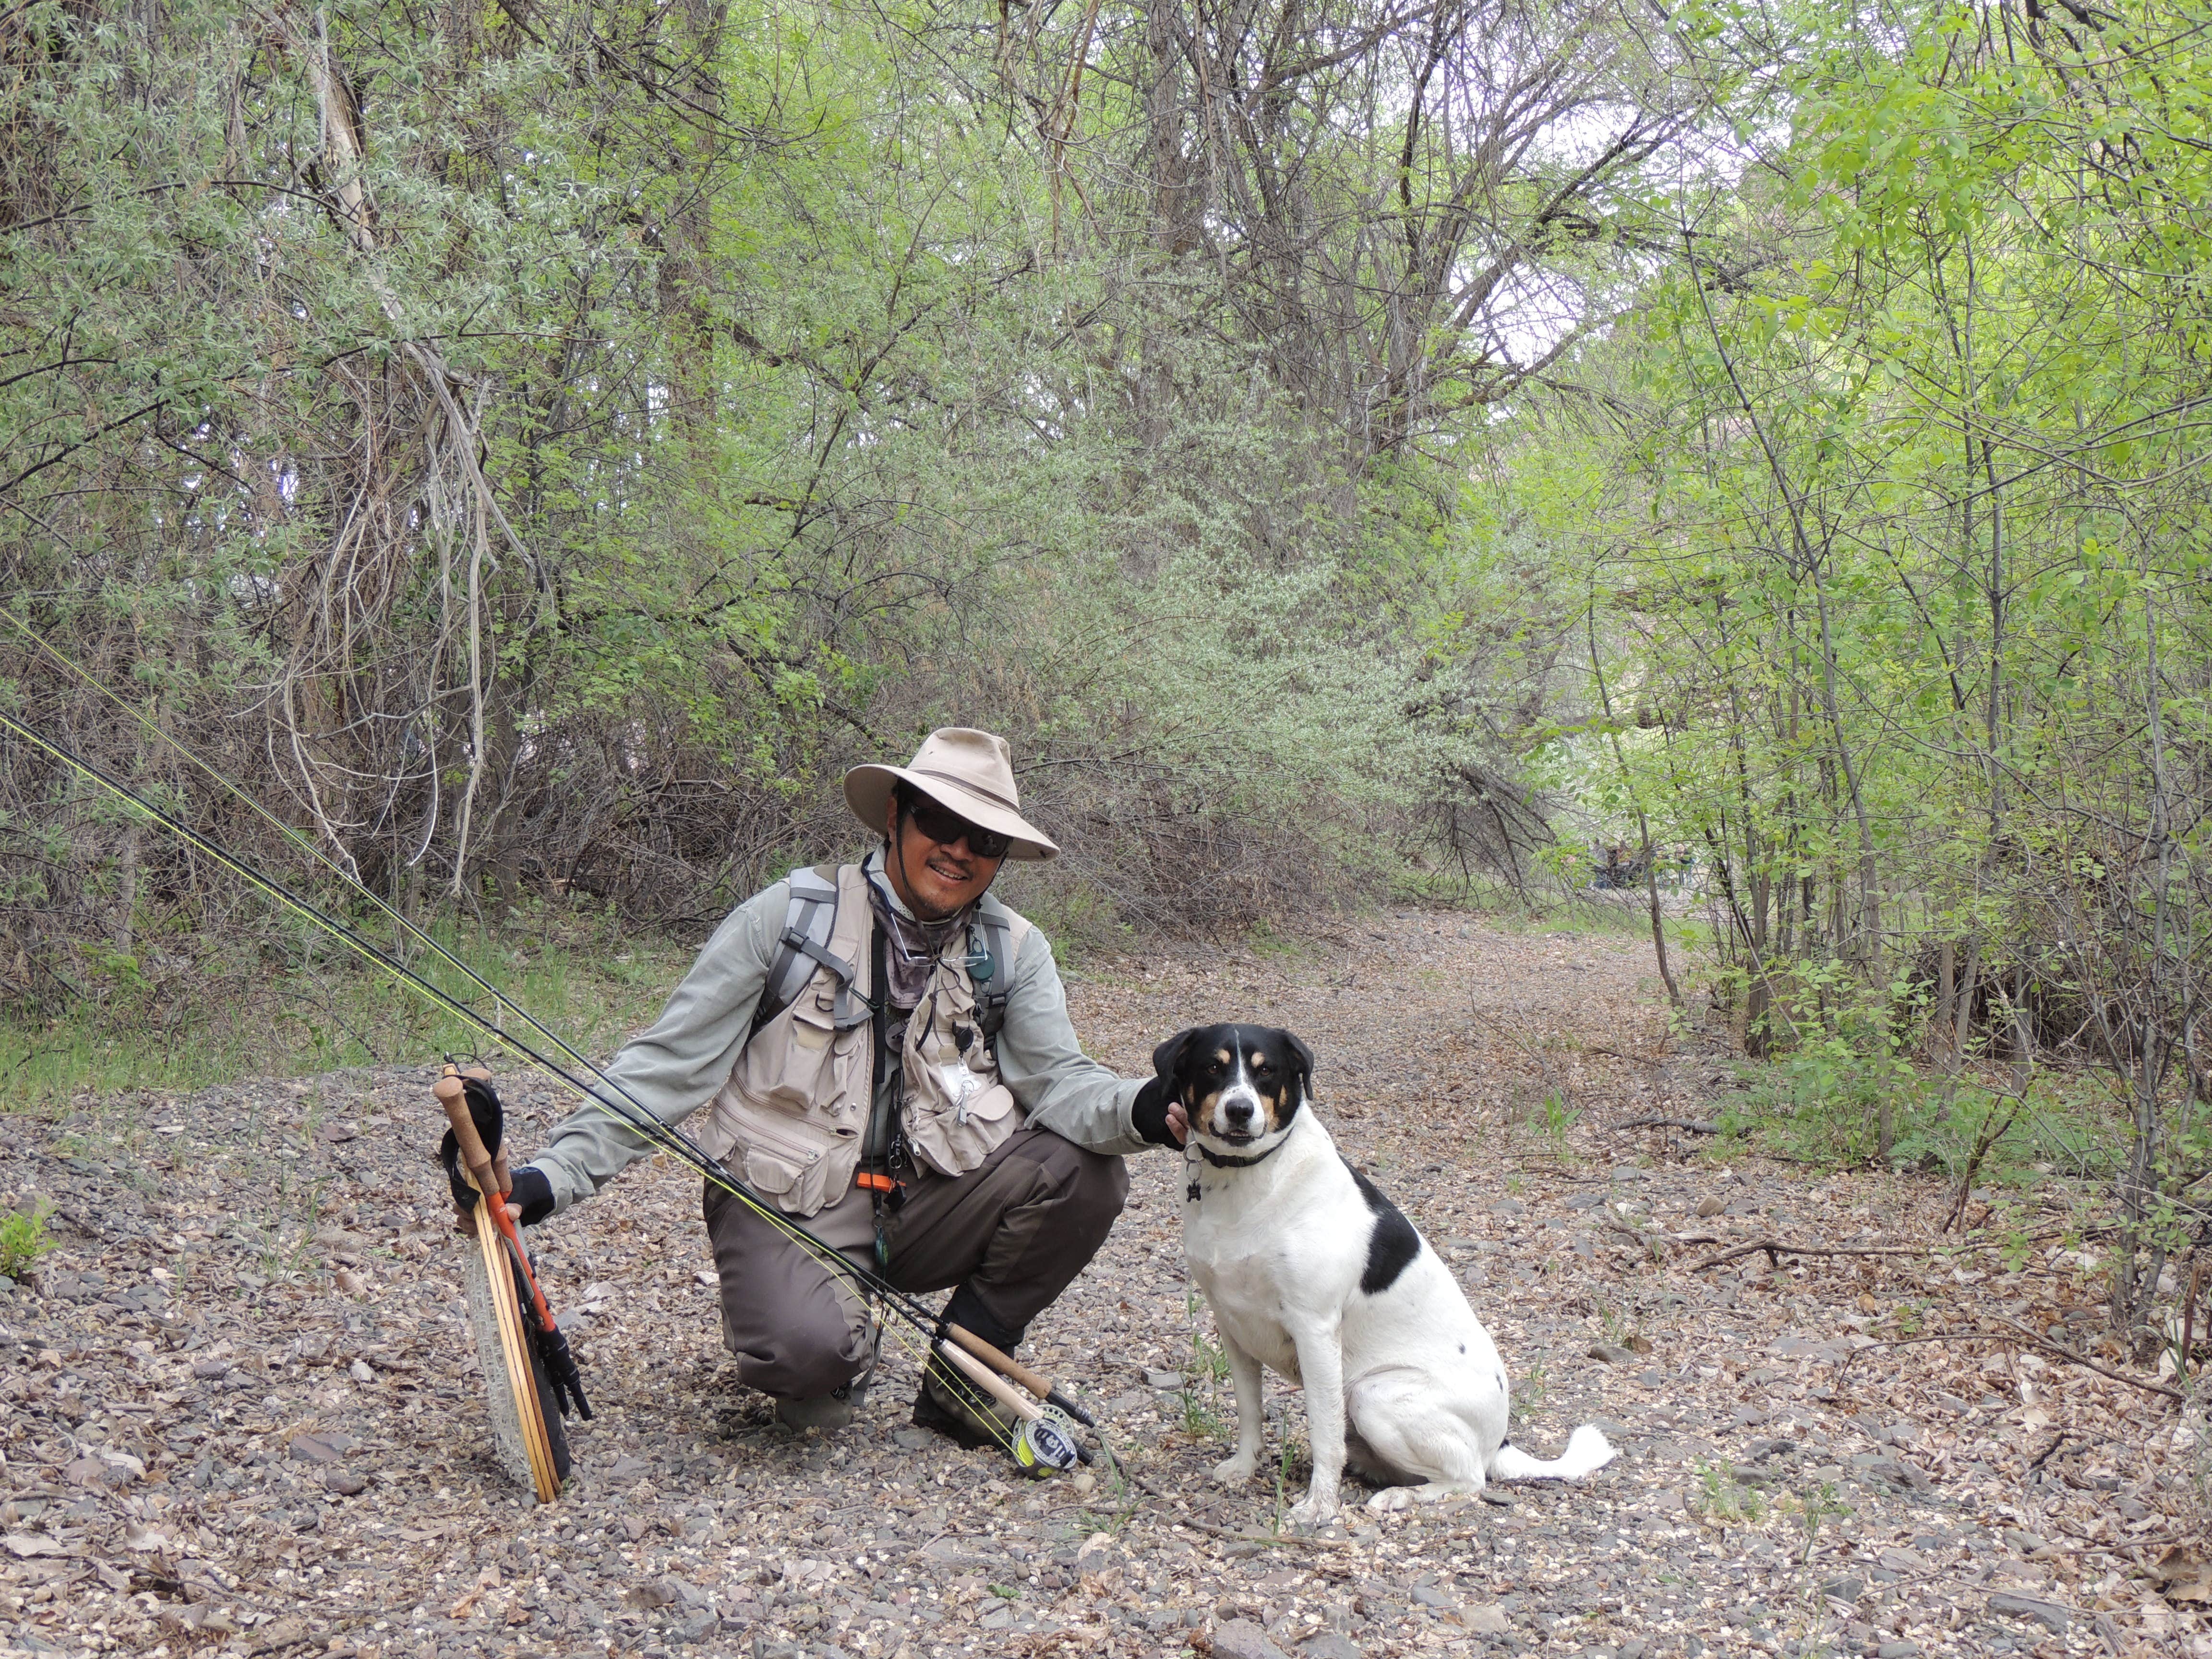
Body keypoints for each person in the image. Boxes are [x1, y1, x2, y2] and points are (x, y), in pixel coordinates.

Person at [499, 728, 1187, 1454]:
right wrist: (554, 1177)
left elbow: (1060, 1083)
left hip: (927, 1199)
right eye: (940, 823)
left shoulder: (1013, 950)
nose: (959, 850)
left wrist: (1141, 1107)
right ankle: (833, 1329)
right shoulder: (789, 917)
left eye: (983, 840)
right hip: (785, 1200)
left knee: (1086, 1172)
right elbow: (668, 1064)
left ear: (999, 858)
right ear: (896, 815)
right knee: (812, 1374)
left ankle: (963, 1380)